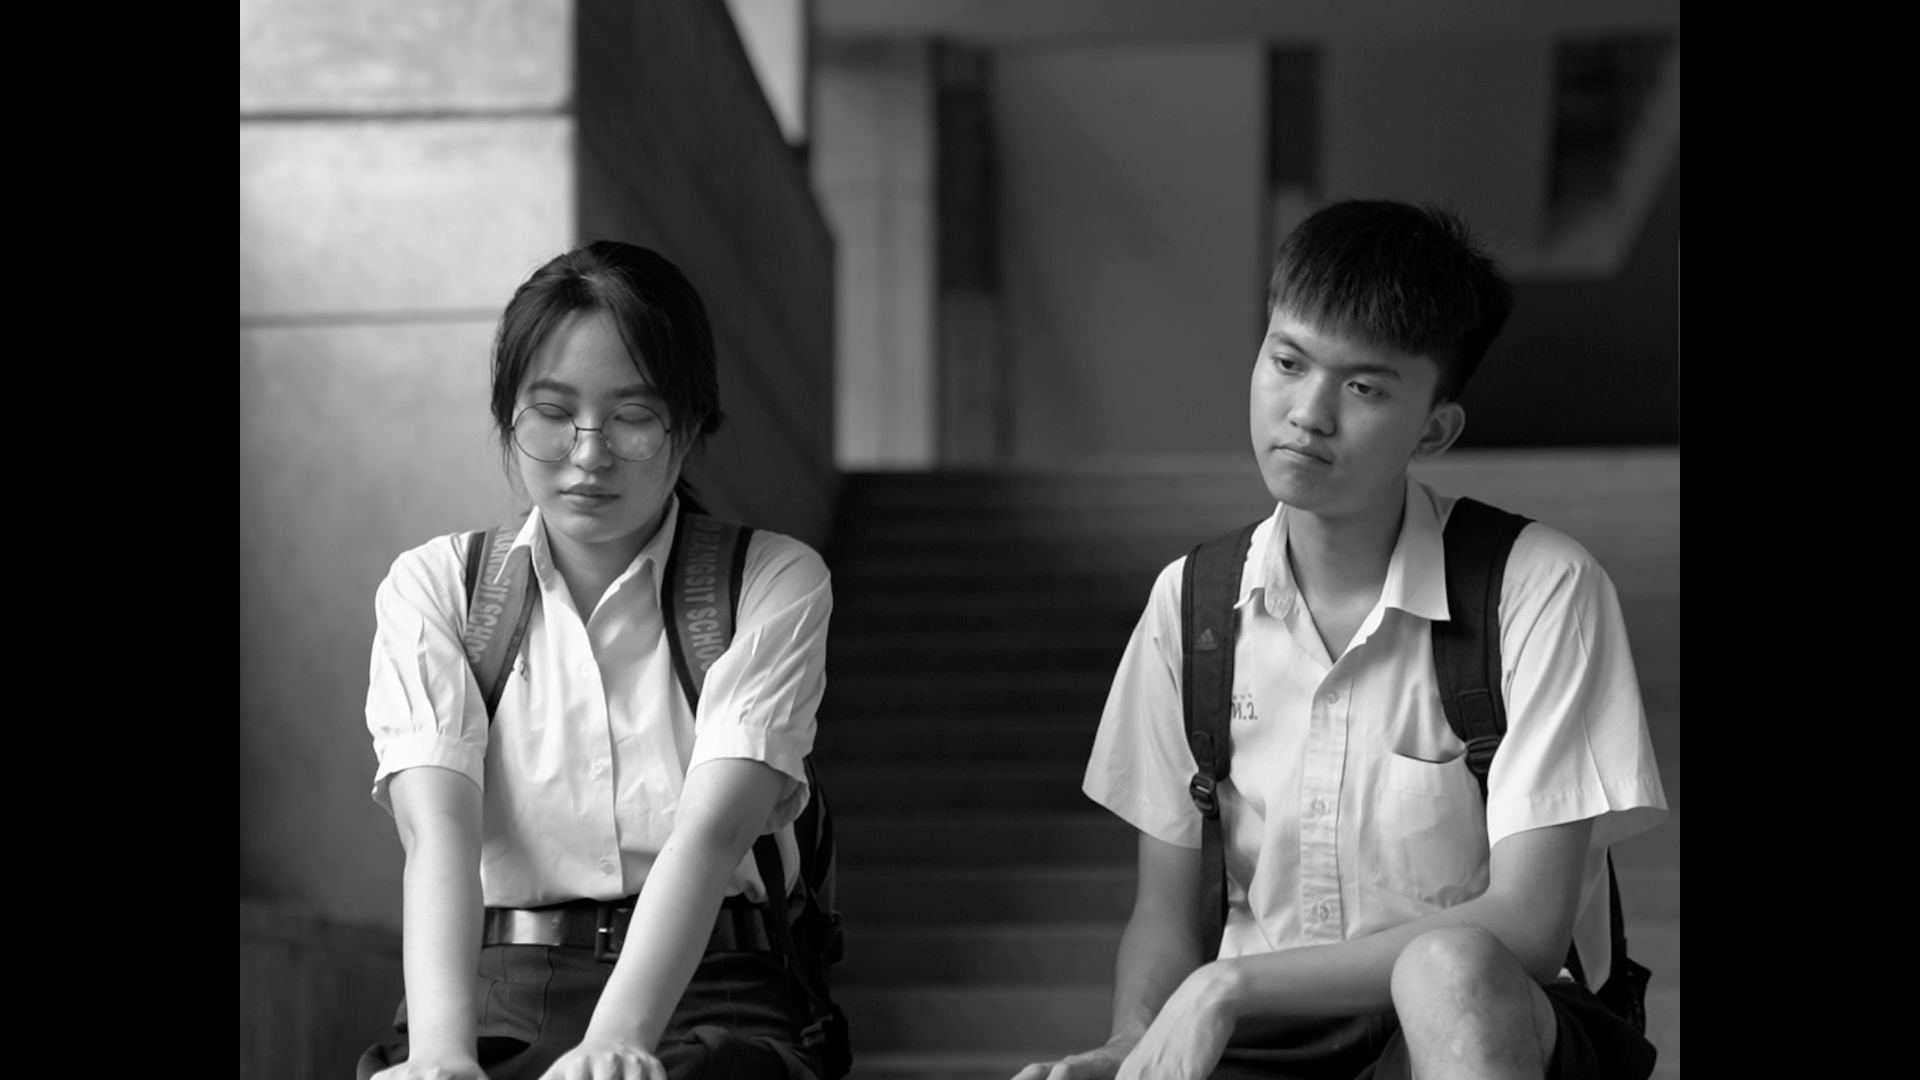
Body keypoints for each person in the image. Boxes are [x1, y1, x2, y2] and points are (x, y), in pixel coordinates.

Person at [1013, 201, 1668, 1080]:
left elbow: (1527, 923)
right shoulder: (1191, 606)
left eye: (1364, 388)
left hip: (1486, 1025)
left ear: (1434, 429)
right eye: (1287, 362)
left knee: (1446, 972)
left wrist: (1229, 986)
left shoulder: (1539, 588)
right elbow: (1166, 913)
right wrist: (1132, 1043)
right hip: (1264, 1041)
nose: (1308, 414)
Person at [356, 240, 834, 1080]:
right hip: (498, 989)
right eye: (553, 411)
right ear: (509, 418)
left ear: (689, 426)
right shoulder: (438, 589)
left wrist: (617, 1041)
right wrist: (438, 1053)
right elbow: (436, 831)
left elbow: (715, 831)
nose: (589, 453)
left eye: (633, 416)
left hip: (713, 991)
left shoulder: (768, 581)